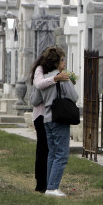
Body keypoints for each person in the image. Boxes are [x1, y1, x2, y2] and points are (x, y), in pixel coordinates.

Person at [38, 47, 79, 197]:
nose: (64, 62)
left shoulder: (44, 78)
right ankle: (52, 188)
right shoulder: (62, 77)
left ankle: (50, 185)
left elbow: (37, 98)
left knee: (52, 153)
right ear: (57, 62)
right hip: (59, 117)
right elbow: (74, 97)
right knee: (62, 154)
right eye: (62, 59)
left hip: (47, 117)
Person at [29, 47, 70, 193]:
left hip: (51, 114)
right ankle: (41, 183)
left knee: (50, 150)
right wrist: (55, 79)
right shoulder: (40, 69)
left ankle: (49, 184)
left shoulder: (54, 71)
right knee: (43, 149)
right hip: (41, 115)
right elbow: (39, 85)